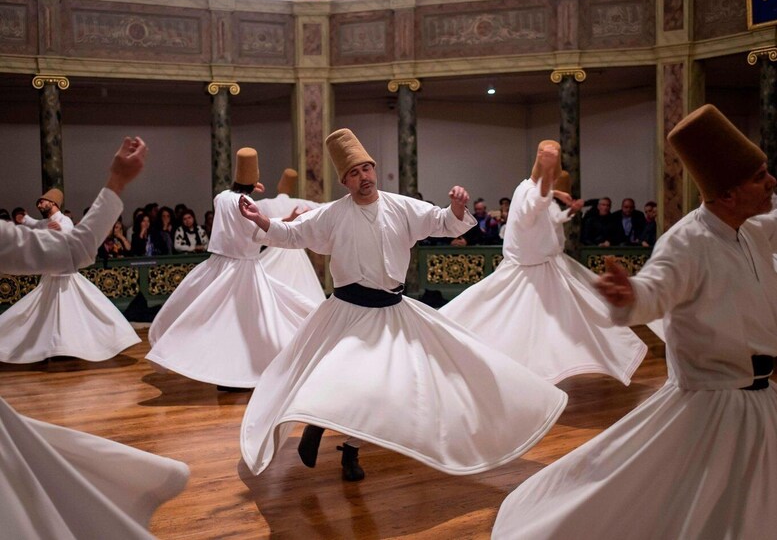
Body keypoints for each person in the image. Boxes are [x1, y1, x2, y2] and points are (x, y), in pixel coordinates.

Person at [493, 105, 777, 538]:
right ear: (727, 194)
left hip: (760, 400)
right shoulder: (687, 242)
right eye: (760, 176)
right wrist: (629, 297)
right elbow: (653, 292)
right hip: (712, 404)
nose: (772, 182)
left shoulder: (754, 228)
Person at [238, 128, 567, 482]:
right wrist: (263, 222)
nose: (363, 177)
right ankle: (316, 422)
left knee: (379, 388)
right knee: (338, 373)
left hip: (391, 311)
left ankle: (349, 449)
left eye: (366, 169)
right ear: (345, 181)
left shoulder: (400, 206)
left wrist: (456, 208)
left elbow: (440, 221)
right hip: (347, 310)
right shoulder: (333, 214)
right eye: (354, 173)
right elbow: (294, 233)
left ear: (373, 170)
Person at [0, 136, 190, 539]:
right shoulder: (46, 222)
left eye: (47, 203)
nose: (44, 207)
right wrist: (117, 181)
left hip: (64, 277)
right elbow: (67, 245)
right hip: (59, 273)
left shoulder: (59, 221)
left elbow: (68, 244)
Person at [441, 145, 647, 385]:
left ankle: (539, 371)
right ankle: (514, 371)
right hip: (525, 273)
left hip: (545, 269)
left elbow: (549, 215)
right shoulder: (527, 191)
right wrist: (549, 183)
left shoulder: (538, 192)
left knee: (569, 319)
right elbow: (531, 208)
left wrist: (565, 204)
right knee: (502, 319)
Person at [146, 148, 316, 389]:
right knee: (249, 323)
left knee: (213, 319)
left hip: (218, 265)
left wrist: (246, 186)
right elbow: (258, 232)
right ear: (254, 180)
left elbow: (231, 200)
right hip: (242, 269)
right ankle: (240, 373)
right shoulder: (244, 204)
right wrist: (286, 220)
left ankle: (220, 370)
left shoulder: (222, 197)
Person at [0, 186, 140, 363]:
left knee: (79, 310)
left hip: (65, 277)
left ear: (52, 203)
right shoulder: (47, 222)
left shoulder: (65, 221)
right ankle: (52, 346)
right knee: (44, 313)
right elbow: (35, 224)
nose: (40, 204)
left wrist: (58, 231)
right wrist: (24, 218)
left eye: (42, 201)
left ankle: (73, 345)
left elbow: (70, 237)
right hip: (52, 276)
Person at [256, 168, 327, 304]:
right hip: (292, 249)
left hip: (279, 249)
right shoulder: (298, 204)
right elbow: (324, 207)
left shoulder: (265, 204)